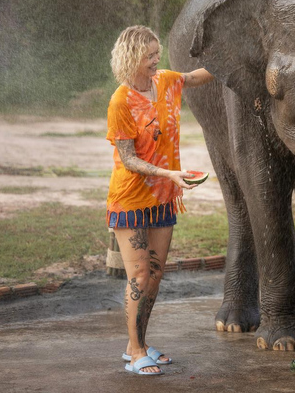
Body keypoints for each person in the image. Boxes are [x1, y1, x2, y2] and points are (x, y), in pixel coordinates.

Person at [106, 25, 214, 375]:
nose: (157, 60)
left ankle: (135, 342)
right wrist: (169, 174)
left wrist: (229, 60)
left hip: (164, 198)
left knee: (153, 275)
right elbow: (128, 160)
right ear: (133, 57)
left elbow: (194, 78)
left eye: (157, 53)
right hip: (131, 200)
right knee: (138, 276)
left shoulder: (166, 81)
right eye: (150, 55)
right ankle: (136, 353)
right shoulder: (121, 100)